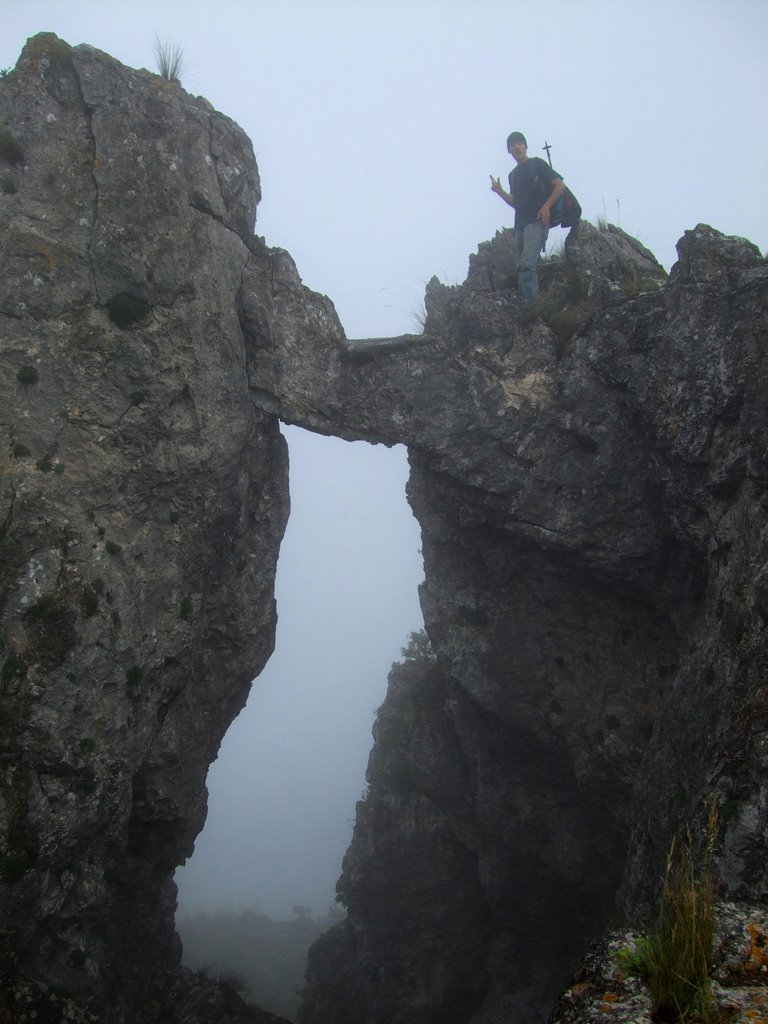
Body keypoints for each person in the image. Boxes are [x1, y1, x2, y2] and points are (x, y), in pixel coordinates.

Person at [490, 131, 564, 302]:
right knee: (522, 266)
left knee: (527, 265)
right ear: (509, 151)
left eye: (520, 143)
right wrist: (500, 192)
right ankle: (534, 302)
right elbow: (516, 202)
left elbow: (559, 185)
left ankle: (531, 307)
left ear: (525, 146)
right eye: (513, 145)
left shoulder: (536, 164)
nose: (517, 147)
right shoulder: (512, 175)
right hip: (520, 226)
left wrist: (546, 206)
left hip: (536, 222)